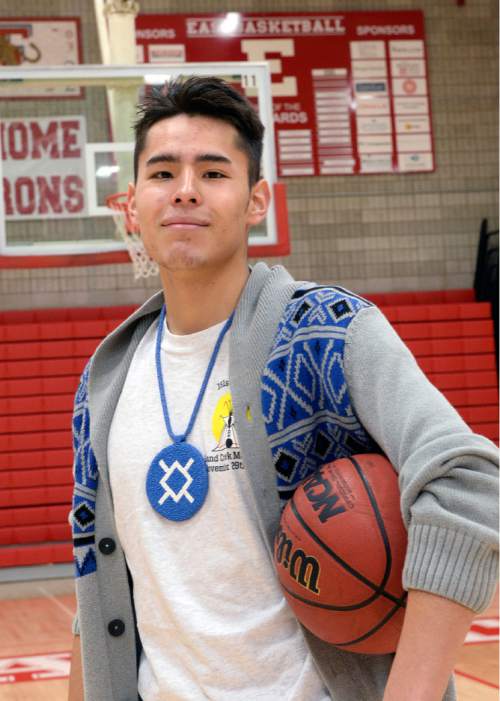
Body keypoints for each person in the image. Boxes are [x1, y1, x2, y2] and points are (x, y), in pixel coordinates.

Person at [68, 76, 498, 701]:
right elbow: (97, 575)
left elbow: (469, 481)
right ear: (133, 205)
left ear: (256, 200)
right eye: (162, 173)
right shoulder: (104, 378)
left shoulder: (327, 332)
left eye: (213, 173)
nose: (185, 191)